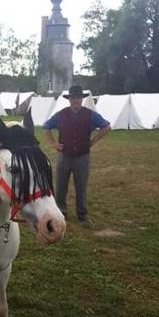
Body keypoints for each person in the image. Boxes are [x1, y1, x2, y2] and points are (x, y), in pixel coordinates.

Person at [43, 85, 111, 226]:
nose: (75, 100)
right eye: (73, 97)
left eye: (78, 97)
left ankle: (82, 214)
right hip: (64, 156)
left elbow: (106, 127)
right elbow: (46, 126)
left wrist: (92, 142)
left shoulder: (90, 115)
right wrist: (53, 143)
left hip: (82, 157)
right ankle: (61, 212)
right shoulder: (61, 114)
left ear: (81, 99)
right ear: (69, 99)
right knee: (60, 186)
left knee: (81, 186)